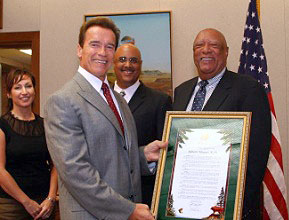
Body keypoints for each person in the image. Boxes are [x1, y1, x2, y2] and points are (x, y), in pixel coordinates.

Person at [44, 17, 167, 220]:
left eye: (109, 46)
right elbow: (76, 172)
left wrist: (143, 155)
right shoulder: (62, 101)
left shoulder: (118, 99)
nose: (102, 52)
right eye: (95, 44)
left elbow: (111, 156)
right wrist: (128, 210)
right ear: (79, 49)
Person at [173, 28, 271, 219]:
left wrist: (234, 203)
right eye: (199, 46)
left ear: (226, 52)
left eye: (214, 45)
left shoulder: (248, 89)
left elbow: (257, 154)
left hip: (228, 207)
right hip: (185, 203)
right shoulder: (182, 91)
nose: (206, 50)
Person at [113, 44, 172, 206]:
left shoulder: (159, 101)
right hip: (106, 194)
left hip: (144, 195)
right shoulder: (101, 98)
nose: (127, 65)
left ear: (140, 64)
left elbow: (164, 154)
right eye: (122, 60)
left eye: (133, 60)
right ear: (113, 63)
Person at [0, 69, 58, 220]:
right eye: (17, 87)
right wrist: (26, 202)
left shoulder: (45, 124)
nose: (24, 92)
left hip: (44, 206)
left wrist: (51, 199)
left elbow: (55, 166)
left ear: (34, 90)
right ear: (8, 94)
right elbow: (0, 170)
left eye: (28, 86)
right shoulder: (2, 125)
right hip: (12, 207)